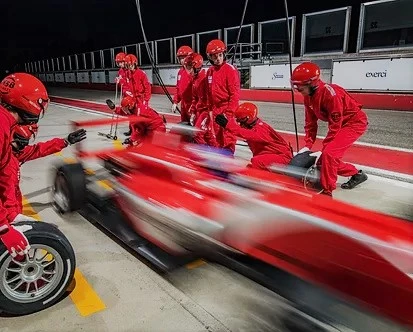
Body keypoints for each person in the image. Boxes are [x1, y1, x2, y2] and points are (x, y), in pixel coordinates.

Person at [291, 62, 368, 196]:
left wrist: (325, 148)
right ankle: (356, 174)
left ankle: (327, 192)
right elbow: (310, 123)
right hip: (340, 122)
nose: (297, 90)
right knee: (324, 161)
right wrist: (308, 145)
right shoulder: (308, 97)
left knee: (329, 154)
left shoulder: (331, 95)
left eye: (300, 87)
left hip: (354, 122)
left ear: (312, 84)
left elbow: (335, 125)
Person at [0, 73, 49, 257]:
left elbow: (4, 175)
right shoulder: (1, 127)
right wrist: (3, 227)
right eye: (40, 103)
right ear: (27, 102)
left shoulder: (6, 124)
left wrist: (11, 215)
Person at [7, 124, 86, 224]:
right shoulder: (5, 159)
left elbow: (39, 150)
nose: (22, 145)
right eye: (19, 140)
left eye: (25, 141)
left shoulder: (16, 153)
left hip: (14, 213)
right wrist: (11, 218)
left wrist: (66, 141)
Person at [215, 102, 293, 170]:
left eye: (241, 121)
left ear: (248, 118)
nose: (240, 124)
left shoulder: (262, 128)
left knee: (257, 161)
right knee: (249, 169)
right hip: (273, 155)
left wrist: (228, 125)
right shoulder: (253, 126)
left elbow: (248, 135)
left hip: (283, 157)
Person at [205, 39, 240, 154]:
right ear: (210, 57)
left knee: (228, 139)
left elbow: (235, 95)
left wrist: (228, 114)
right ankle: (219, 163)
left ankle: (228, 161)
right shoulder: (210, 72)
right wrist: (210, 109)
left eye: (220, 55)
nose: (218, 58)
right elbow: (209, 93)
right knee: (217, 139)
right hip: (215, 109)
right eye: (214, 56)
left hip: (227, 109)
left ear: (224, 54)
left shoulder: (230, 70)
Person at [183, 53, 217, 146]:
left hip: (207, 110)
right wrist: (193, 112)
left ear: (196, 66)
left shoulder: (204, 78)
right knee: (206, 134)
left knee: (198, 133)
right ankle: (213, 151)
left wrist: (210, 112)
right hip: (201, 110)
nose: (188, 70)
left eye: (190, 67)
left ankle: (205, 153)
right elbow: (195, 98)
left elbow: (211, 96)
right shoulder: (195, 78)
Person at [123, 54, 152, 136]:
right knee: (131, 115)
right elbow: (126, 84)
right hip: (132, 98)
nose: (129, 67)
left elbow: (147, 87)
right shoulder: (128, 73)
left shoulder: (141, 73)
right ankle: (132, 130)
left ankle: (142, 132)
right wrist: (126, 92)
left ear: (135, 64)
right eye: (128, 65)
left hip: (141, 98)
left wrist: (146, 100)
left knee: (141, 115)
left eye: (131, 65)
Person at [172, 45, 193, 123]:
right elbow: (178, 88)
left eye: (183, 58)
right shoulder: (180, 72)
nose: (182, 61)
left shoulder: (194, 71)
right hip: (184, 105)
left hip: (192, 104)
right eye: (180, 58)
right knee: (184, 123)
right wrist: (175, 102)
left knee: (194, 126)